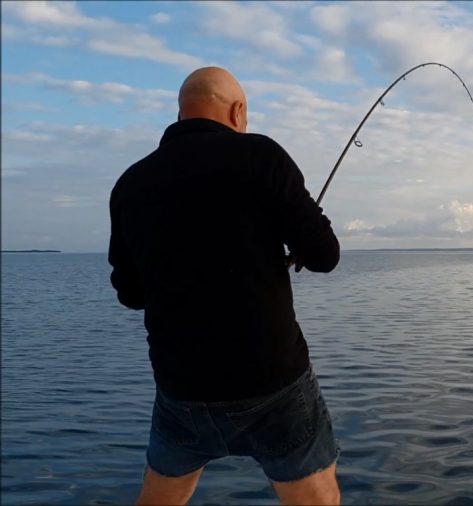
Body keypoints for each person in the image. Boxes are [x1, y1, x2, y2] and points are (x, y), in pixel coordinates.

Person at [108, 67, 341, 505]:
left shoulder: (130, 184)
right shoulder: (263, 157)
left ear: (180, 115)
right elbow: (326, 255)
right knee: (316, 498)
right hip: (273, 385)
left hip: (182, 389)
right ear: (238, 111)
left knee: (161, 497)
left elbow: (131, 294)